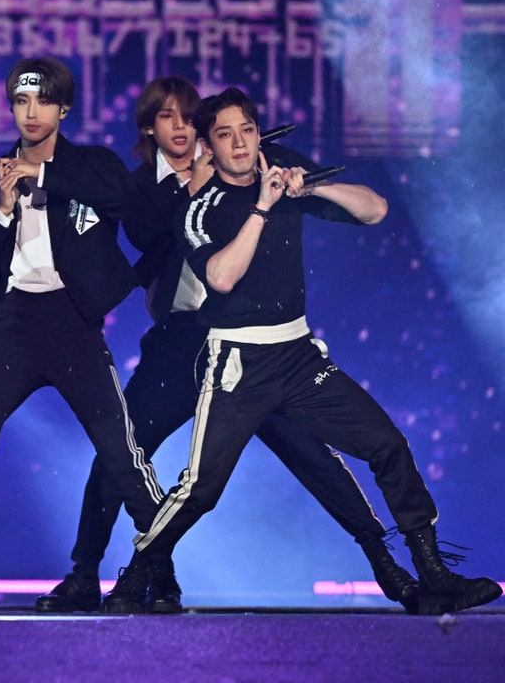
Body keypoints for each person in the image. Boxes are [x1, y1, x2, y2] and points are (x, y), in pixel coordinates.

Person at [102, 87, 501, 615]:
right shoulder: (199, 210)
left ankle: (432, 572)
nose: (240, 143)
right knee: (200, 489)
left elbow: (375, 209)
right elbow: (221, 277)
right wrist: (263, 208)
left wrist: (313, 189)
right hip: (238, 363)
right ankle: (136, 574)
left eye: (247, 129)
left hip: (297, 354)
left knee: (387, 444)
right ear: (208, 146)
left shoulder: (282, 166)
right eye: (224, 134)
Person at [36, 78, 418, 614]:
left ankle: (387, 565)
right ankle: (92, 574)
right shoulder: (144, 186)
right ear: (150, 127)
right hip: (179, 342)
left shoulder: (245, 170)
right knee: (125, 449)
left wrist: (239, 184)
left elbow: (354, 210)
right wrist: (197, 186)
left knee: (311, 455)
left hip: (251, 345)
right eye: (168, 117)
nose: (181, 128)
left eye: (191, 119)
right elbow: (149, 237)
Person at [0, 56, 167, 613]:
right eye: (21, 102)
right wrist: (5, 210)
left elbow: (121, 199)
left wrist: (43, 178)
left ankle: (156, 568)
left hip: (73, 326)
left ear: (63, 108)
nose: (31, 113)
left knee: (120, 454)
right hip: (11, 326)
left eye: (42, 102)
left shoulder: (92, 168)